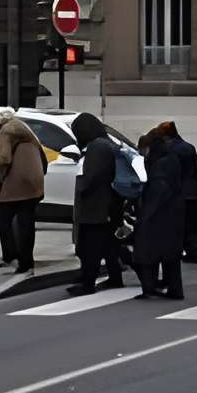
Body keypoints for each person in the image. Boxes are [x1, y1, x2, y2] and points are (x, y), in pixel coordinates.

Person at [131, 120, 197, 299]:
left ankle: (150, 288)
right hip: (175, 212)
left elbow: (158, 190)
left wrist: (144, 215)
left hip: (161, 215)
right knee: (171, 255)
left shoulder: (160, 163)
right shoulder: (171, 158)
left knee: (148, 251)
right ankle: (174, 289)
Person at [65, 112, 127, 295]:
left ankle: (88, 283)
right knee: (108, 245)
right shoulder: (106, 143)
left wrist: (81, 186)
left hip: (96, 206)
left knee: (90, 247)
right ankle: (116, 278)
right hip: (108, 204)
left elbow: (92, 177)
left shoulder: (96, 147)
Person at [0, 108, 47, 274]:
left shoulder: (6, 131)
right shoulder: (28, 131)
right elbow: (43, 158)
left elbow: (5, 158)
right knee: (27, 223)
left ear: (1, 122)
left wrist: (1, 177)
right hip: (34, 183)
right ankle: (27, 261)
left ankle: (10, 255)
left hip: (15, 183)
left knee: (3, 219)